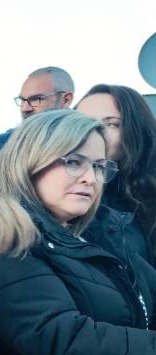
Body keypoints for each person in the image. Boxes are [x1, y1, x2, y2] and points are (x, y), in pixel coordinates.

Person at [0, 109, 156, 355]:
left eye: (99, 166)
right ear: (30, 162)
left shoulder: (99, 231)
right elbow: (58, 335)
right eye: (74, 162)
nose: (90, 178)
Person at [76, 84, 156, 267]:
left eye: (110, 124)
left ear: (135, 131)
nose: (93, 131)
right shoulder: (64, 196)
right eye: (81, 121)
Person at [0, 66, 74, 159]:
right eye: (22, 100)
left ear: (65, 100)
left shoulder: (85, 141)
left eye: (35, 99)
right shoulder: (3, 144)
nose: (25, 108)